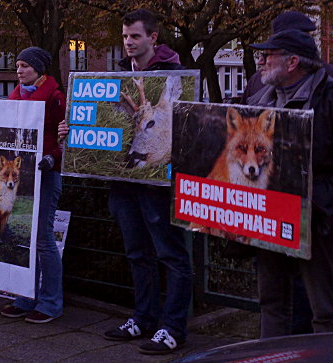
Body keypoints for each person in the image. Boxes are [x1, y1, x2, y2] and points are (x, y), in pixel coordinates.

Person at [91, 9, 192, 355]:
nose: (128, 43)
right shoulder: (119, 76)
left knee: (171, 253)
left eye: (135, 36)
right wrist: (72, 131)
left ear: (153, 38)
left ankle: (174, 327)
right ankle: (144, 318)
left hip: (159, 184)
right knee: (137, 252)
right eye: (124, 37)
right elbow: (107, 126)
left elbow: (189, 129)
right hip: (123, 181)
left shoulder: (178, 76)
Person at [246, 29, 333, 337]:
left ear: (293, 62)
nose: (261, 61)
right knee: (271, 299)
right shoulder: (258, 99)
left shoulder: (327, 98)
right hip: (268, 213)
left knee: (324, 307)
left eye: (269, 55)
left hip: (317, 218)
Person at [0, 46, 65, 323]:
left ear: (39, 69)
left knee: (43, 239)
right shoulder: (16, 95)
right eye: (17, 65)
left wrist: (53, 157)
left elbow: (67, 134)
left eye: (25, 65)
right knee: (25, 237)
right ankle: (25, 297)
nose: (19, 70)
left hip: (46, 174)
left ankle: (50, 303)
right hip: (24, 175)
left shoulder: (55, 97)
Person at [242, 11, 333, 103]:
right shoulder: (257, 87)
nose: (260, 61)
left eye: (267, 55)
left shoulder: (327, 96)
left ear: (292, 62)